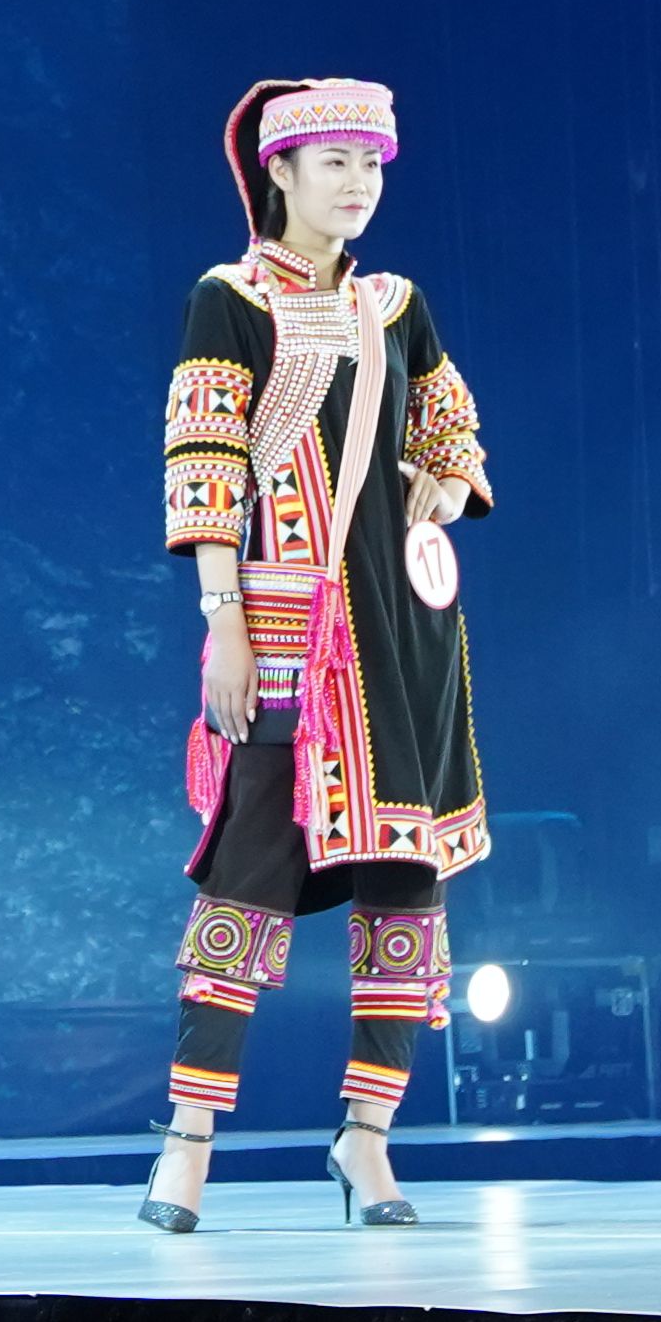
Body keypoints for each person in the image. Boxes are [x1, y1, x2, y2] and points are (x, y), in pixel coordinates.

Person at [141, 78, 487, 1233]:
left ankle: (367, 1139)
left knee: (405, 885)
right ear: (279, 172)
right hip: (285, 626)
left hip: (402, 638)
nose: (356, 183)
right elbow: (205, 460)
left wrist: (449, 478)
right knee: (247, 877)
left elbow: (452, 422)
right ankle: (189, 1143)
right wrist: (223, 620)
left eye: (370, 164)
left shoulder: (397, 306)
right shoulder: (230, 298)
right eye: (333, 162)